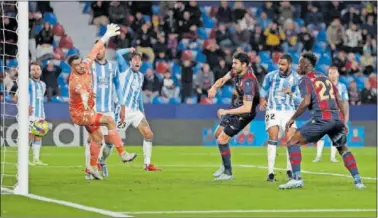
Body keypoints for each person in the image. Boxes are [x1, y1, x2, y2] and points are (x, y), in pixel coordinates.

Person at [279, 52, 366, 189]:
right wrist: (343, 121)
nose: (298, 65)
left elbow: (305, 102)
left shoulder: (305, 79)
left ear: (306, 64)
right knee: (343, 149)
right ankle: (358, 181)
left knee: (292, 142)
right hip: (336, 119)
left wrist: (293, 118)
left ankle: (296, 178)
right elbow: (339, 99)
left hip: (322, 119)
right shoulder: (326, 78)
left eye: (300, 62)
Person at [67, 24, 137, 180]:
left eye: (80, 63)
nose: (80, 67)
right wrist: (88, 101)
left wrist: (107, 35)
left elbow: (95, 49)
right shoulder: (75, 81)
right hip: (81, 113)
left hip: (90, 111)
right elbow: (82, 93)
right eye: (76, 66)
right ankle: (123, 154)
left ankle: (92, 168)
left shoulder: (86, 65)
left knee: (98, 138)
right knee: (109, 121)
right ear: (71, 68)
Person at [84, 42, 133, 179]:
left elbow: (118, 86)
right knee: (93, 139)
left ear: (105, 49)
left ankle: (101, 162)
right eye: (96, 49)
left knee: (109, 143)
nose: (98, 51)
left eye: (101, 48)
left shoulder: (113, 67)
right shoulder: (90, 67)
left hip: (109, 109)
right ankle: (89, 170)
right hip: (93, 109)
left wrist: (122, 105)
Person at [207, 52, 260, 180]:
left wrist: (226, 112)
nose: (233, 65)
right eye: (233, 62)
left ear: (244, 65)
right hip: (235, 106)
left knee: (222, 139)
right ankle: (225, 165)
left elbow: (247, 107)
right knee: (217, 134)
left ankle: (228, 173)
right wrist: (213, 87)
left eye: (235, 63)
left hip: (245, 113)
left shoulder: (248, 82)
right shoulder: (237, 71)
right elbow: (224, 79)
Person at [115, 52, 161, 171]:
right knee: (110, 139)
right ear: (130, 62)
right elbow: (117, 54)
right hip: (123, 110)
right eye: (134, 59)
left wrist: (142, 110)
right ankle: (99, 161)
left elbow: (138, 94)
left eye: (139, 60)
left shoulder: (140, 76)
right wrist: (129, 49)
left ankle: (147, 164)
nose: (137, 61)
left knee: (149, 134)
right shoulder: (125, 71)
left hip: (135, 111)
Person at [259, 54, 301, 182]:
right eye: (279, 64)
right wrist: (261, 99)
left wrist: (291, 93)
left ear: (289, 65)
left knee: (291, 139)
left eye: (283, 64)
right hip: (273, 109)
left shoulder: (296, 79)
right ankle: (270, 173)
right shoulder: (270, 76)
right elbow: (263, 89)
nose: (280, 66)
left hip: (289, 111)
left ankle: (289, 170)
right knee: (273, 138)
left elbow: (301, 100)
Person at [313, 66, 349, 163]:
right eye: (330, 73)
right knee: (321, 135)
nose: (332, 75)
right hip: (324, 113)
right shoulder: (324, 86)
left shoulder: (342, 87)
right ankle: (318, 156)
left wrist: (345, 120)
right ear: (327, 75)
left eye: (334, 73)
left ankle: (332, 157)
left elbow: (345, 103)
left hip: (337, 114)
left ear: (338, 74)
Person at [15, 62, 48, 166]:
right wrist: (25, 106)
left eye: (37, 69)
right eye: (33, 69)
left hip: (40, 114)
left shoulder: (43, 85)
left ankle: (36, 159)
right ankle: (22, 160)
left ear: (41, 71)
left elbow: (40, 99)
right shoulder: (26, 82)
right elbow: (16, 97)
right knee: (28, 136)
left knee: (38, 135)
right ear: (30, 71)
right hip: (29, 115)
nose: (35, 71)